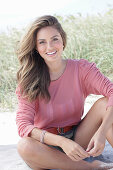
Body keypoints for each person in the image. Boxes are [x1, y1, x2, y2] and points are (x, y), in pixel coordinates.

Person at [16, 15, 113, 170]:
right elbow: (23, 126)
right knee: (24, 145)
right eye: (42, 42)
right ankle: (89, 167)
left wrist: (101, 133)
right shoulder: (29, 81)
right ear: (35, 47)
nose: (50, 47)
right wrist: (61, 142)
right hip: (45, 145)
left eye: (55, 39)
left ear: (62, 40)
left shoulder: (82, 69)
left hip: (78, 138)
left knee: (105, 105)